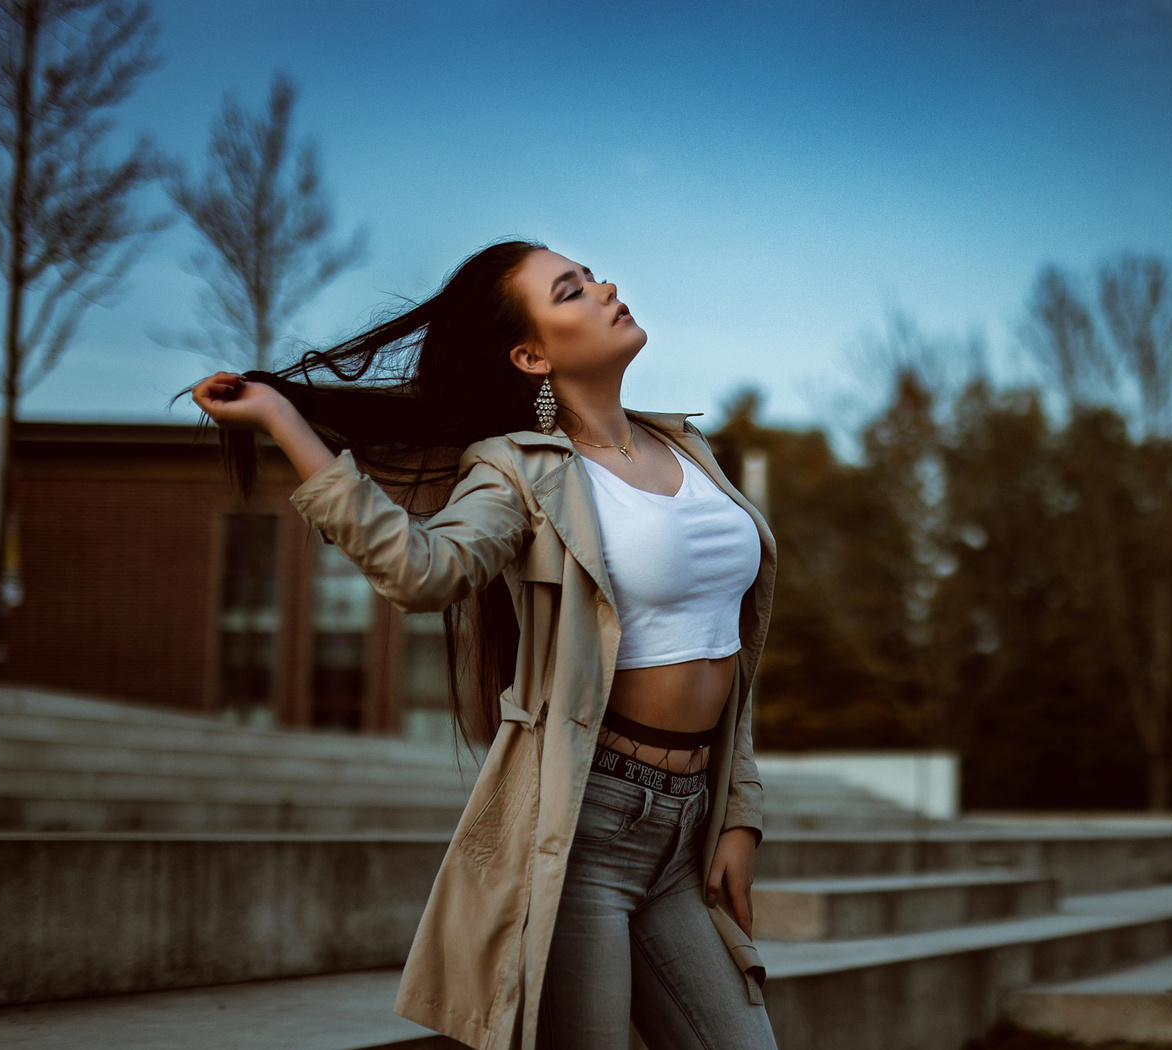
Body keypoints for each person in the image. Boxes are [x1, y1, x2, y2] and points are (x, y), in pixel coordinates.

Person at [190, 240, 779, 1050]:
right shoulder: (519, 469)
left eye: (592, 275)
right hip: (582, 828)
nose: (606, 288)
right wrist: (286, 425)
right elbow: (423, 571)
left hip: (687, 831)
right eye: (571, 291)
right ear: (531, 354)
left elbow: (735, 653)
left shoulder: (687, 449)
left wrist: (740, 815)